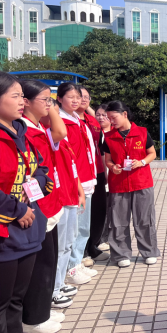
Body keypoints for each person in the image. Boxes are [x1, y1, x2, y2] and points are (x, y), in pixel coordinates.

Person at [0, 71, 52, 333]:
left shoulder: (21, 131)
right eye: (16, 96)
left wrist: (38, 183)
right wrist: (17, 210)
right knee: (0, 302)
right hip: (5, 231)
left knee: (17, 298)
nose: (22, 102)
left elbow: (40, 166)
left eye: (22, 96)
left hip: (28, 228)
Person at [20, 80, 68, 333]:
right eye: (45, 100)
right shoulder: (24, 130)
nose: (50, 105)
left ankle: (43, 310)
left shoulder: (38, 127)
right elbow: (61, 132)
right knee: (40, 264)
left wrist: (49, 107)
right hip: (37, 205)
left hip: (49, 199)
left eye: (51, 99)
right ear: (26, 102)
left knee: (49, 259)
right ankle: (35, 318)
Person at [103, 101, 160, 267]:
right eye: (108, 118)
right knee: (118, 221)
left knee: (145, 219)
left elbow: (152, 153)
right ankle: (121, 255)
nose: (111, 121)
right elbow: (108, 160)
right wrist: (112, 167)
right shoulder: (109, 137)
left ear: (124, 114)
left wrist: (141, 162)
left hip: (142, 182)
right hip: (118, 184)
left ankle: (149, 251)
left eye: (113, 117)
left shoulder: (142, 132)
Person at [57, 83, 96, 285]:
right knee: (74, 229)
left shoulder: (77, 120)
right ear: (59, 98)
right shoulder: (62, 122)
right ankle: (71, 268)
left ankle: (77, 262)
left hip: (86, 179)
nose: (76, 100)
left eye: (78, 97)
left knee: (83, 227)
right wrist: (79, 181)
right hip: (76, 182)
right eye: (70, 96)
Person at [76, 86, 108, 265]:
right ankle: (80, 253)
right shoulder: (68, 120)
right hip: (80, 174)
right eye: (79, 96)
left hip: (97, 171)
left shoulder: (92, 120)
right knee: (81, 214)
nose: (83, 99)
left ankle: (92, 246)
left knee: (98, 211)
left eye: (86, 97)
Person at [94, 104, 111, 252]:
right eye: (98, 115)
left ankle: (107, 237)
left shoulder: (115, 133)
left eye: (104, 115)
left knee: (111, 209)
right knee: (101, 209)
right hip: (100, 175)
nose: (100, 118)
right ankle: (100, 239)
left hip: (114, 176)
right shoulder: (96, 133)